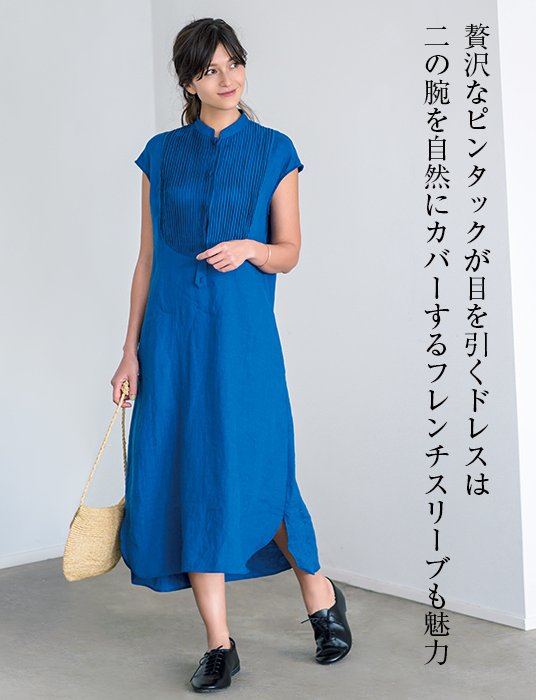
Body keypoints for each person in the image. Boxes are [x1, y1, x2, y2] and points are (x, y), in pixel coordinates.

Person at [110, 17, 352, 693]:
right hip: (172, 340)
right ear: (188, 83)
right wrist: (129, 352)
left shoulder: (275, 149)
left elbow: (290, 252)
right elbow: (147, 260)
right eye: (211, 70)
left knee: (262, 468)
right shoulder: (160, 155)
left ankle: (320, 595)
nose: (228, 79)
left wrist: (250, 250)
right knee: (191, 475)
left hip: (243, 341)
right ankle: (219, 642)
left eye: (234, 64)